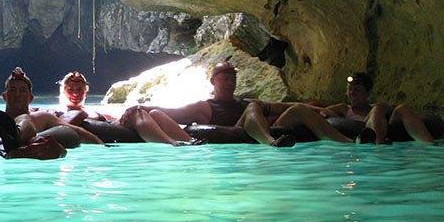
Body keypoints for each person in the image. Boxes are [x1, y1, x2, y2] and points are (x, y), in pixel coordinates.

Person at [119, 60, 353, 147]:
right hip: (238, 133)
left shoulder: (247, 102)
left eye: (233, 76)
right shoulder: (204, 107)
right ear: (213, 81)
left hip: (251, 127)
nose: (231, 80)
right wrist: (141, 109)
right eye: (225, 76)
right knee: (254, 108)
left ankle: (348, 142)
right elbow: (171, 113)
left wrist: (322, 109)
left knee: (299, 108)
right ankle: (272, 143)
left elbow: (285, 107)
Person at [0, 67, 103, 153]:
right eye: (12, 90)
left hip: (24, 141)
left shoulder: (41, 117)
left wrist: (101, 145)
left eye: (22, 90)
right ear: (4, 96)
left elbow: (74, 131)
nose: (17, 94)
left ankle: (15, 136)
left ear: (30, 98)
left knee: (24, 118)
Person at [320, 72, 438, 144]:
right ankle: (379, 142)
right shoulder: (343, 108)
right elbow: (321, 112)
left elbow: (393, 112)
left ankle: (429, 144)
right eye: (349, 89)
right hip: (362, 135)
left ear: (368, 93)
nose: (352, 93)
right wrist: (326, 114)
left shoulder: (377, 108)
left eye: (357, 90)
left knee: (397, 108)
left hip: (386, 130)